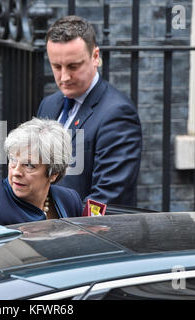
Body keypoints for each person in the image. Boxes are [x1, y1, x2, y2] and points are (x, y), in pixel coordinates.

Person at [37, 15, 142, 207]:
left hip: (86, 233)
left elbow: (107, 198)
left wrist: (61, 228)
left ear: (95, 57)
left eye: (73, 66)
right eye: (56, 66)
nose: (64, 77)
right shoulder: (48, 105)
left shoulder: (118, 114)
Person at [0, 118, 83, 232]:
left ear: (54, 173)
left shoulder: (70, 200)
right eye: (13, 160)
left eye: (29, 165)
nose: (16, 172)